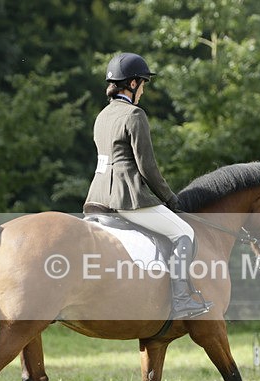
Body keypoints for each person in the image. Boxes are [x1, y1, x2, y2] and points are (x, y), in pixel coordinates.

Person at [84, 52, 210, 319]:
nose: (143, 90)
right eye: (143, 83)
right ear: (132, 84)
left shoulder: (102, 116)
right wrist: (170, 199)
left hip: (95, 199)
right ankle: (181, 301)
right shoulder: (134, 114)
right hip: (126, 199)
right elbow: (147, 168)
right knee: (184, 233)